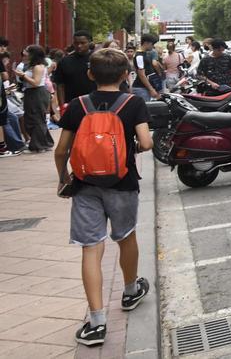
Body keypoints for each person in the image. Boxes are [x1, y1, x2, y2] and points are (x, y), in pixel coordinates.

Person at [53, 47, 152, 346]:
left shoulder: (77, 106)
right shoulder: (133, 103)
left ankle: (96, 322)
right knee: (126, 237)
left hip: (84, 185)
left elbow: (61, 151)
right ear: (125, 75)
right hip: (123, 183)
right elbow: (146, 143)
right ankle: (131, 290)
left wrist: (64, 178)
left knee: (90, 248)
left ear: (90, 74)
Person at [20, 45, 54, 152]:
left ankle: (38, 145)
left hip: (37, 93)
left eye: (27, 52)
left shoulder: (38, 67)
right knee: (36, 118)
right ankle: (45, 143)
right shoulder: (31, 65)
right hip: (32, 93)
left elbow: (36, 83)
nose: (25, 54)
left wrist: (23, 76)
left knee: (36, 119)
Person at [55, 31, 97, 108]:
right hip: (72, 103)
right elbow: (60, 85)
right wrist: (62, 106)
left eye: (83, 43)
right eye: (76, 43)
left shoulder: (97, 59)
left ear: (90, 42)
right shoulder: (64, 61)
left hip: (94, 103)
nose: (79, 46)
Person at [132, 34, 163, 101]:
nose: (153, 46)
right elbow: (141, 74)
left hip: (145, 88)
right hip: (141, 88)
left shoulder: (145, 54)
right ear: (146, 43)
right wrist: (151, 89)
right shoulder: (139, 56)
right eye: (152, 44)